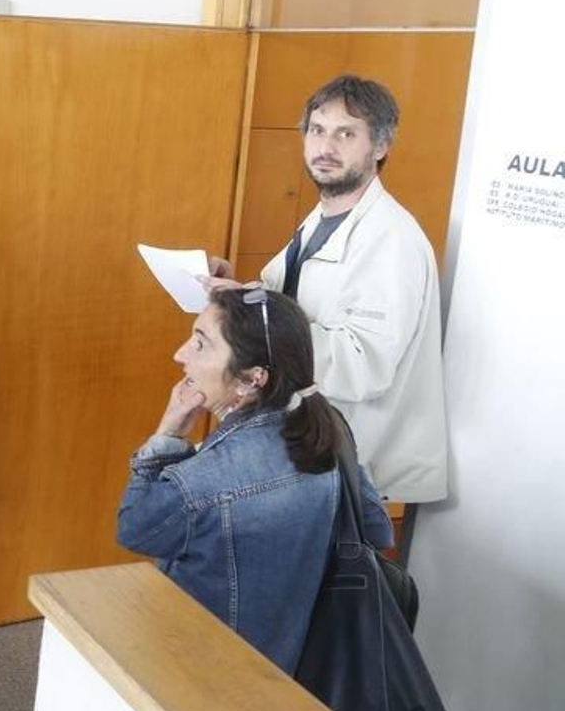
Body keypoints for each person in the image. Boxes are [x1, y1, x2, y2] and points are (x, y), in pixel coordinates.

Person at [117, 287, 395, 673]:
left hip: (207, 669)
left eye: (200, 344)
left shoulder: (202, 483)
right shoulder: (328, 432)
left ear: (252, 379)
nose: (180, 354)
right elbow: (379, 531)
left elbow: (134, 529)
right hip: (295, 669)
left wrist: (169, 434)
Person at [207, 75, 448, 504]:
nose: (326, 147)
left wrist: (254, 308)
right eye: (317, 131)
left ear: (380, 147)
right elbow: (292, 303)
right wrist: (238, 290)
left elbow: (364, 365)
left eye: (346, 134)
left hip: (355, 466)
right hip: (310, 446)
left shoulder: (391, 239)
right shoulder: (322, 219)